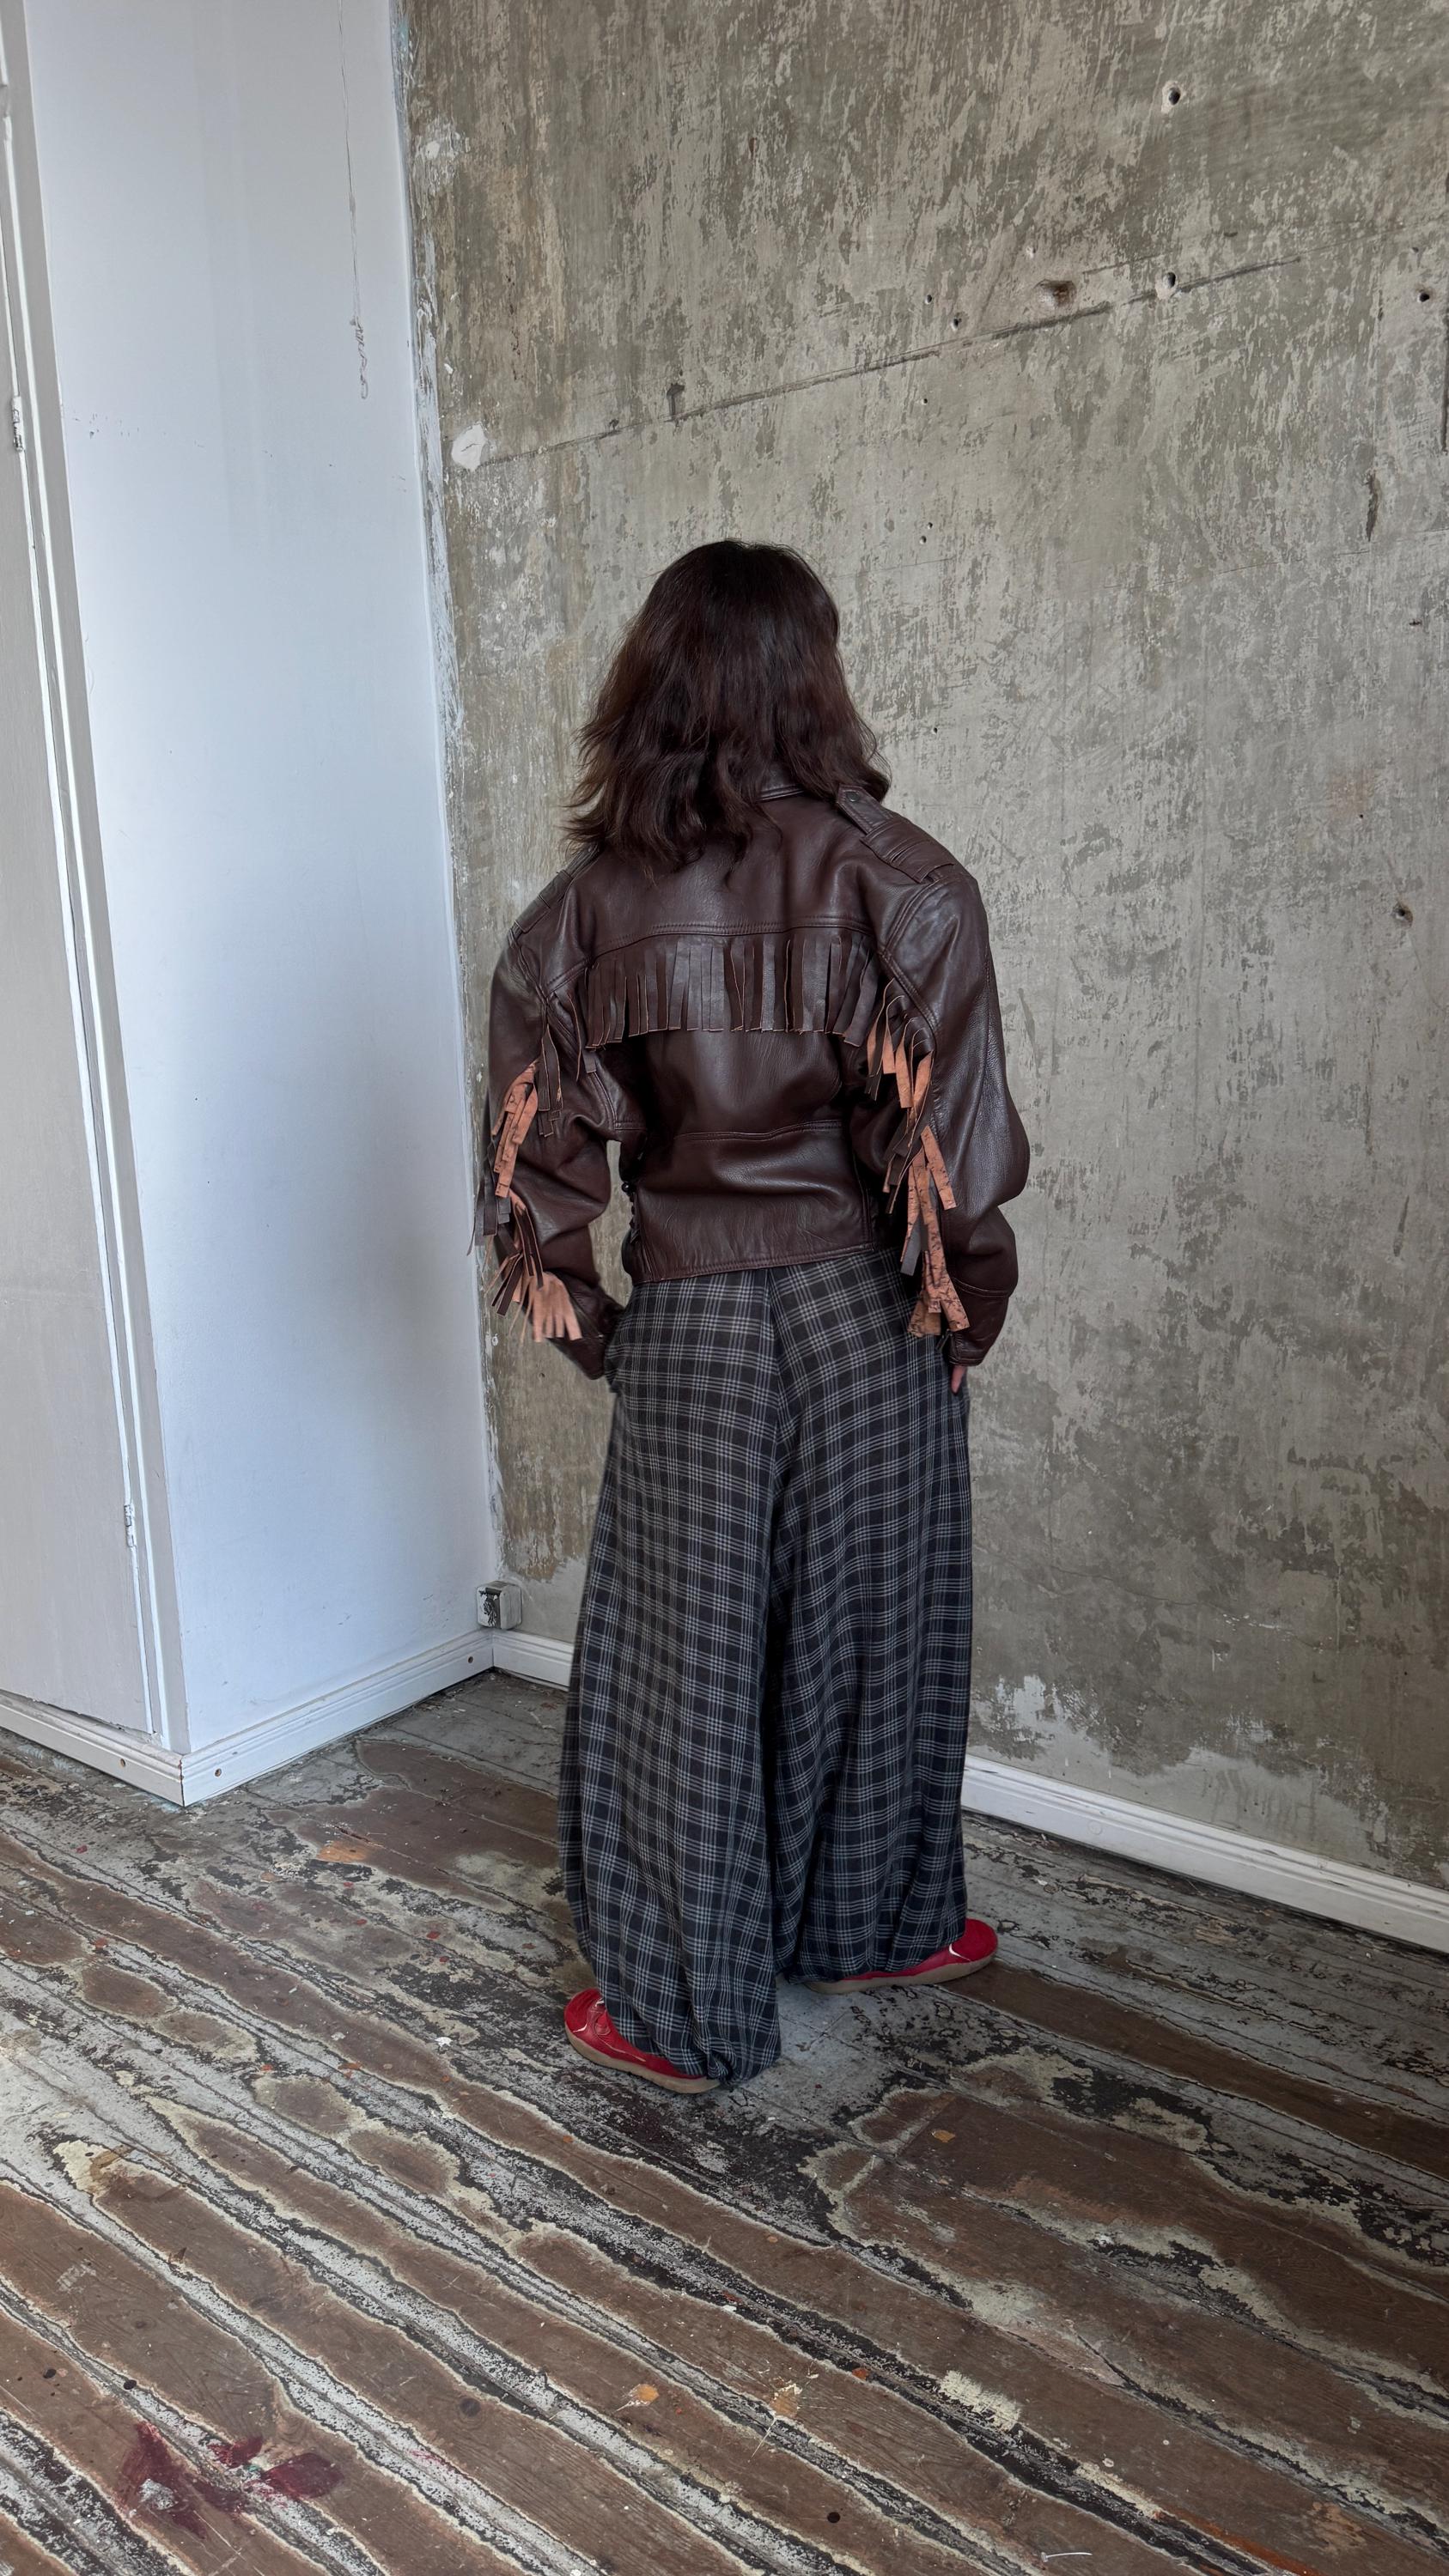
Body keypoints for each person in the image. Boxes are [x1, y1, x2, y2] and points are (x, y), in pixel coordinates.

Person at [478, 540, 1029, 2093]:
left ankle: (679, 2011)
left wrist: (619, 1341)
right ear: (817, 681)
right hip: (869, 1308)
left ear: (645, 688)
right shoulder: (908, 882)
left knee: (682, 1674)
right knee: (884, 1631)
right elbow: (956, 1170)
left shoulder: (576, 918)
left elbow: (537, 1191)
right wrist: (957, 1325)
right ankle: (877, 1921)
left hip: (701, 1313)